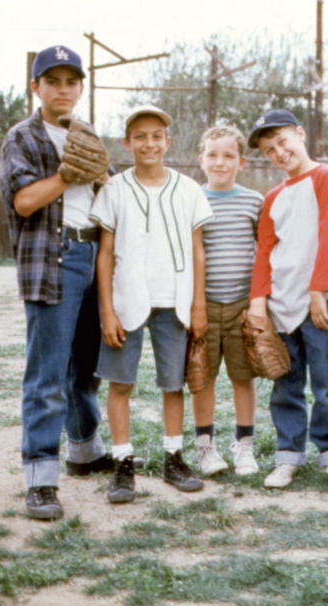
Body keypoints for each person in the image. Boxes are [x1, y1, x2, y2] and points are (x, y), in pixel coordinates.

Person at [0, 44, 115, 519]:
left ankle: (84, 448)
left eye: (72, 81)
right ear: (36, 87)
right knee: (47, 372)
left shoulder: (86, 132)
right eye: (53, 81)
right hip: (55, 254)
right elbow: (24, 201)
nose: (63, 89)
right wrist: (67, 173)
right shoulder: (21, 136)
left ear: (81, 87)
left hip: (93, 250)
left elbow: (105, 191)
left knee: (84, 364)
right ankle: (40, 476)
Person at [91, 105, 211, 503]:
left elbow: (198, 251)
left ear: (168, 141)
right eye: (139, 136)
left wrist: (198, 305)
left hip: (174, 299)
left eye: (156, 135)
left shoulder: (188, 189)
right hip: (128, 300)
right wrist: (107, 310)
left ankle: (173, 455)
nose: (149, 143)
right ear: (127, 143)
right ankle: (123, 461)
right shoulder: (115, 189)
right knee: (121, 381)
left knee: (173, 382)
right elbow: (105, 254)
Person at [247, 109, 328, 489]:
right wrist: (258, 301)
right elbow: (264, 252)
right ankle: (288, 454)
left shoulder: (326, 178)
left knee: (326, 382)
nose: (278, 151)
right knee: (285, 382)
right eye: (269, 149)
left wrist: (318, 290)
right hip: (281, 303)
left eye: (283, 141)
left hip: (319, 301)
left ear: (301, 134)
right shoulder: (273, 197)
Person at [191, 125, 264, 477]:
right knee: (202, 376)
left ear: (241, 161)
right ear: (201, 159)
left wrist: (256, 301)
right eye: (213, 155)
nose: (220, 162)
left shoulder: (253, 201)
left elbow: (263, 252)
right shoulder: (190, 199)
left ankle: (244, 445)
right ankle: (205, 447)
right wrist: (194, 304)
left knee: (242, 374)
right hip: (202, 303)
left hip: (241, 304)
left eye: (229, 156)